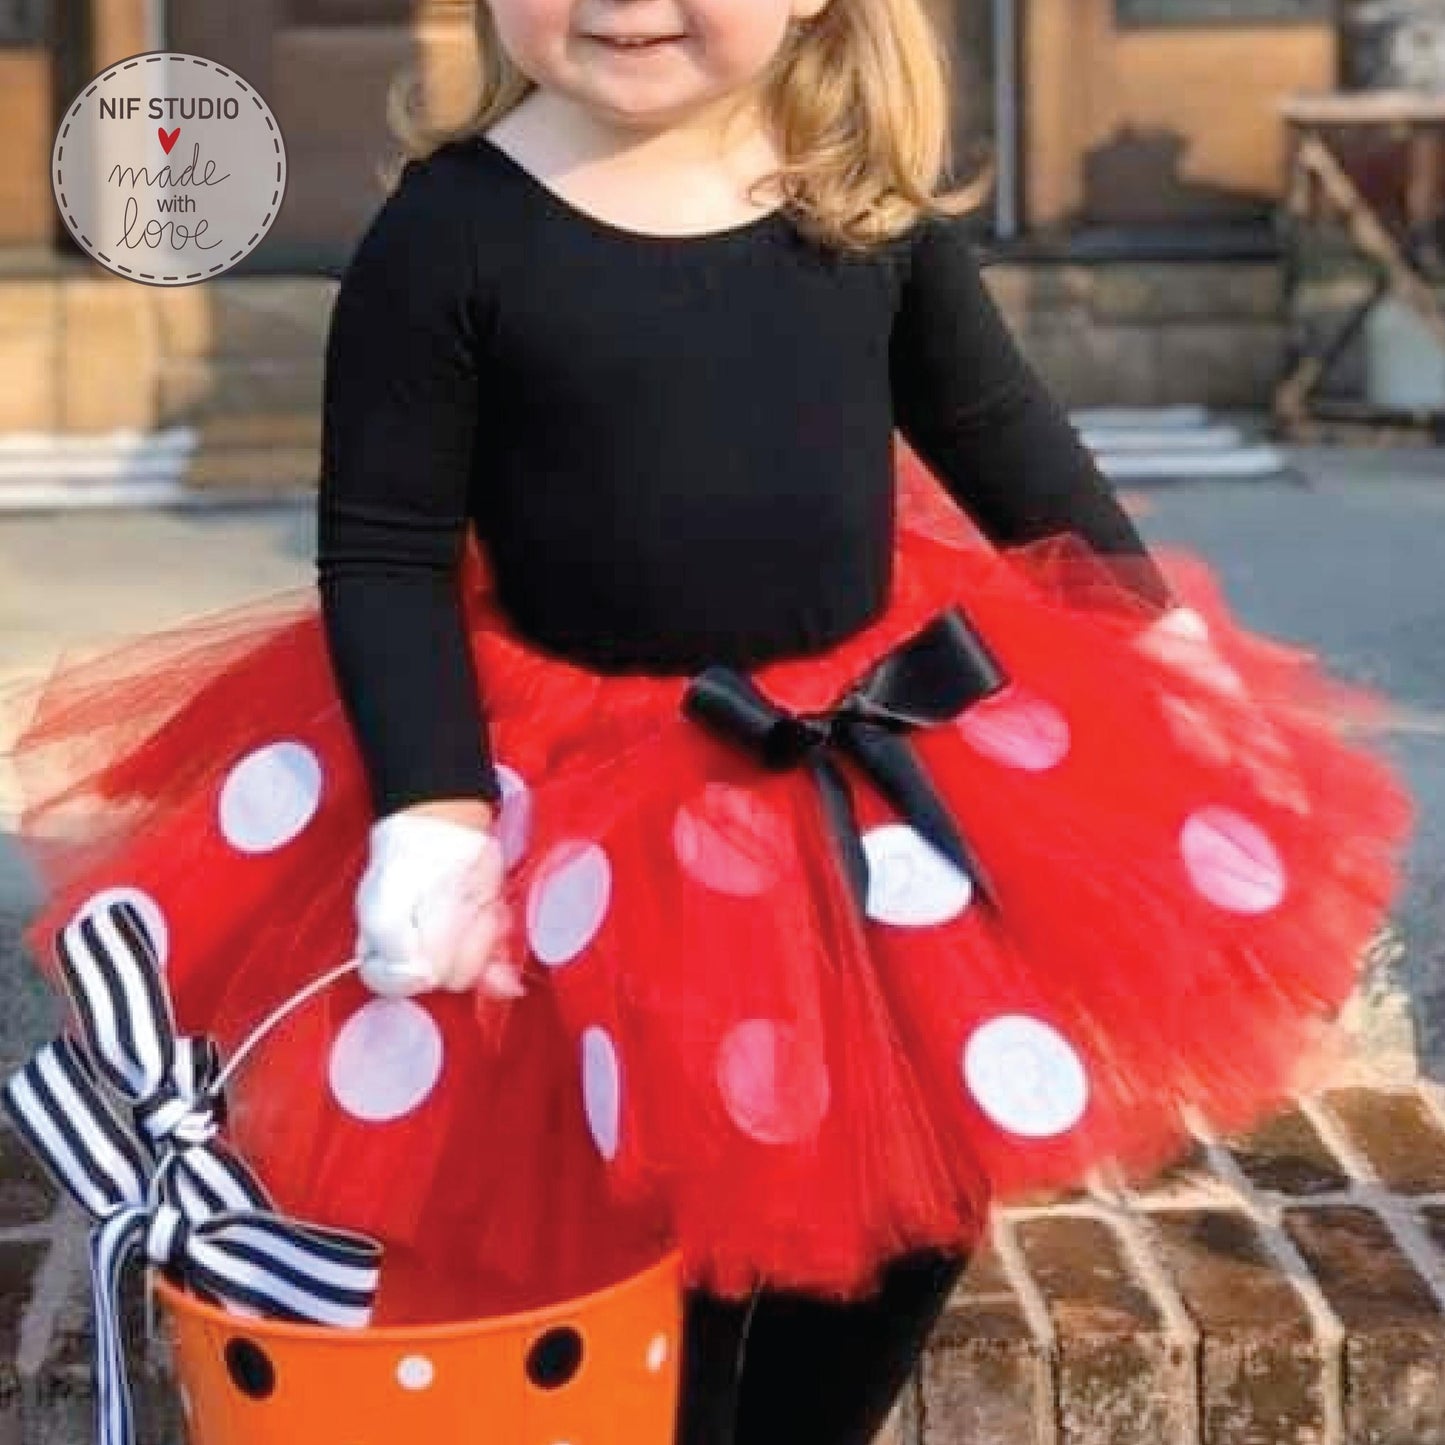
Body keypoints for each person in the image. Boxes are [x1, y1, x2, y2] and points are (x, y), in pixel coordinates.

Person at [1, 2, 1412, 1443]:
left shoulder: (850, 196)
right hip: (567, 796)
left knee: (892, 1173)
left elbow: (1005, 440)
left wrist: (1159, 644)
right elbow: (384, 550)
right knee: (622, 1184)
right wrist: (429, 811)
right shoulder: (451, 230)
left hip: (855, 772)